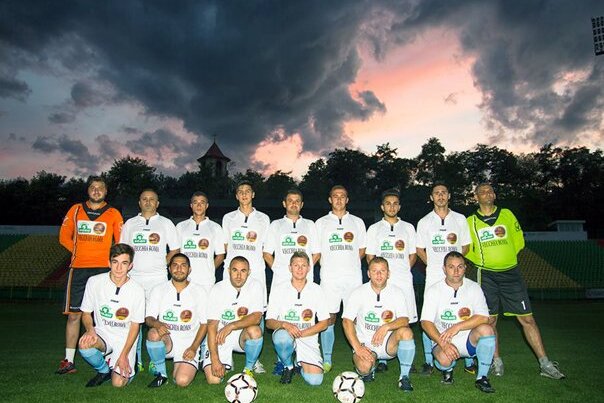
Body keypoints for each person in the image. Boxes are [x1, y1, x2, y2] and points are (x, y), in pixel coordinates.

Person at [466, 183, 565, 379]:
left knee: (527, 319)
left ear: (494, 195)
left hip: (511, 274)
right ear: (475, 197)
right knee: (490, 320)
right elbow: (466, 248)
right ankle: (496, 362)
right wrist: (482, 261)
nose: (487, 193)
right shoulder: (470, 221)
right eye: (482, 192)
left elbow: (519, 240)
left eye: (490, 191)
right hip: (486, 275)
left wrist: (506, 257)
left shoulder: (507, 215)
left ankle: (545, 364)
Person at [57, 176, 123, 375]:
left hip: (103, 270)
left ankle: (110, 356)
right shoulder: (76, 210)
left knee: (106, 314)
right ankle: (69, 361)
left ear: (106, 191)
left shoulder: (113, 213)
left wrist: (110, 260)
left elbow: (120, 242)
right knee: (74, 315)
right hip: (79, 268)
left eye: (100, 187)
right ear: (88, 190)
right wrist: (79, 252)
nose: (96, 190)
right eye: (93, 187)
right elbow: (63, 237)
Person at [416, 183, 473, 375]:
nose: (440, 196)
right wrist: (434, 264)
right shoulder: (424, 222)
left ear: (449, 196)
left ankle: (468, 359)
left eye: (443, 193)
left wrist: (454, 266)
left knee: (462, 312)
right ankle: (429, 360)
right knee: (429, 317)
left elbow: (466, 246)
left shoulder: (460, 219)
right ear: (431, 197)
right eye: (436, 193)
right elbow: (419, 249)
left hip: (456, 275)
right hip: (434, 276)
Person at [120, 188, 179, 370]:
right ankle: (135, 359)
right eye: (144, 199)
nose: (148, 202)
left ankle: (156, 359)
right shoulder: (130, 224)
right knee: (134, 320)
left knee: (157, 319)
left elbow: (175, 249)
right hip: (134, 278)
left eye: (151, 199)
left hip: (158, 278)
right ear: (139, 202)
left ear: (157, 203)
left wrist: (163, 263)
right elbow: (123, 250)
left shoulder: (166, 223)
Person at [420, 251, 496, 393]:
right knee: (444, 360)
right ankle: (447, 370)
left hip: (468, 339)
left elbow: (484, 317)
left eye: (460, 267)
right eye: (451, 267)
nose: (456, 271)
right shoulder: (434, 290)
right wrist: (443, 344)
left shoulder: (474, 287)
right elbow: (425, 322)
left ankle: (482, 377)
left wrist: (457, 327)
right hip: (443, 338)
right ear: (444, 269)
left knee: (487, 329)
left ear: (465, 268)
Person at [342, 257, 416, 392]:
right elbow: (346, 321)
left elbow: (405, 320)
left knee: (406, 332)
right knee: (364, 368)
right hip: (365, 344)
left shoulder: (397, 292)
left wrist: (386, 327)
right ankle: (369, 369)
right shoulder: (358, 292)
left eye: (382, 271)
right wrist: (358, 347)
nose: (379, 275)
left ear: (388, 273)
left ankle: (404, 376)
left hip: (389, 343)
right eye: (374, 271)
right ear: (368, 273)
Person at [77, 243, 145, 387]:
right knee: (85, 343)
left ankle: (130, 359)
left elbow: (135, 326)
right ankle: (104, 370)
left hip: (125, 340)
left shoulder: (137, 290)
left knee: (118, 383)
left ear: (130, 266)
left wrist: (124, 355)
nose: (119, 268)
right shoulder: (94, 282)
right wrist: (90, 330)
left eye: (124, 263)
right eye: (115, 262)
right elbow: (86, 313)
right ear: (109, 263)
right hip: (103, 334)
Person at [365, 189, 418, 373]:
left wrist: (402, 271)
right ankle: (383, 359)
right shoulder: (374, 229)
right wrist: (381, 275)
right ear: (382, 207)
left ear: (399, 206)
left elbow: (412, 255)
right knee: (384, 315)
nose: (392, 207)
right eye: (388, 203)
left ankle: (406, 358)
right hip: (382, 282)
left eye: (395, 203)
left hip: (403, 281)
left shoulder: (408, 228)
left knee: (404, 319)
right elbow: (370, 256)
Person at [315, 185, 367, 372]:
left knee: (356, 318)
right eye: (335, 196)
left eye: (342, 196)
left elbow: (361, 250)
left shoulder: (357, 222)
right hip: (329, 278)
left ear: (347, 199)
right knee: (329, 317)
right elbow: (317, 251)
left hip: (353, 278)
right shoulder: (320, 223)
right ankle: (327, 360)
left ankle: (360, 354)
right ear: (330, 200)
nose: (338, 199)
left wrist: (348, 264)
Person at [222, 180, 270, 373]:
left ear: (253, 194)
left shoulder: (263, 219)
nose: (244, 194)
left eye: (247, 191)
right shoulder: (228, 218)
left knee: (258, 311)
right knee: (228, 309)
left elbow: (265, 246)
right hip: (233, 271)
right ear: (236, 196)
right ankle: (226, 354)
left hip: (256, 271)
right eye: (240, 191)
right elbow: (226, 245)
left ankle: (254, 358)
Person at [266, 252, 330, 385]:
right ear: (290, 268)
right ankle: (288, 366)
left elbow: (324, 322)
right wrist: (285, 325)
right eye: (296, 265)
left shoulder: (317, 290)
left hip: (308, 337)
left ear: (309, 268)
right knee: (282, 338)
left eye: (303, 265)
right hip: (286, 334)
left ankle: (298, 363)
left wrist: (302, 333)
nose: (300, 269)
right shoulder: (278, 289)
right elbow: (269, 322)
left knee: (315, 381)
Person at [145, 253, 208, 388]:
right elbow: (148, 318)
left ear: (189, 269)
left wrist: (194, 347)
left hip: (188, 344)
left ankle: (179, 364)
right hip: (167, 339)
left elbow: (204, 324)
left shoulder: (199, 291)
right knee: (153, 333)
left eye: (183, 265)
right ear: (169, 269)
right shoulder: (158, 289)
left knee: (182, 381)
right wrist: (157, 323)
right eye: (175, 265)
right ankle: (161, 373)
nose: (179, 269)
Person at [203, 256, 264, 383]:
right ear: (228, 270)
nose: (238, 276)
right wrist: (215, 359)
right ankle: (224, 359)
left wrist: (231, 326)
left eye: (243, 271)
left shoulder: (255, 285)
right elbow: (212, 325)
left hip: (241, 335)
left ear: (249, 272)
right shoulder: (217, 288)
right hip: (220, 336)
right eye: (235, 270)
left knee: (255, 331)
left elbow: (257, 317)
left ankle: (248, 369)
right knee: (213, 380)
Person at [263, 188, 320, 288]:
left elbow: (317, 253)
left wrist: (304, 270)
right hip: (281, 281)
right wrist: (279, 271)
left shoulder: (310, 224)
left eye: (297, 201)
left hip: (304, 280)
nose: (294, 204)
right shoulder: (276, 225)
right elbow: (267, 254)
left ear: (302, 204)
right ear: (284, 204)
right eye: (290, 201)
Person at [175, 191, 226, 293]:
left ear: (207, 206)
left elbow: (220, 255)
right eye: (195, 202)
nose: (199, 206)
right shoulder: (180, 226)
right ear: (191, 205)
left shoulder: (215, 228)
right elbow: (176, 252)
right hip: (185, 280)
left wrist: (210, 269)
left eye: (202, 202)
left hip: (206, 282)